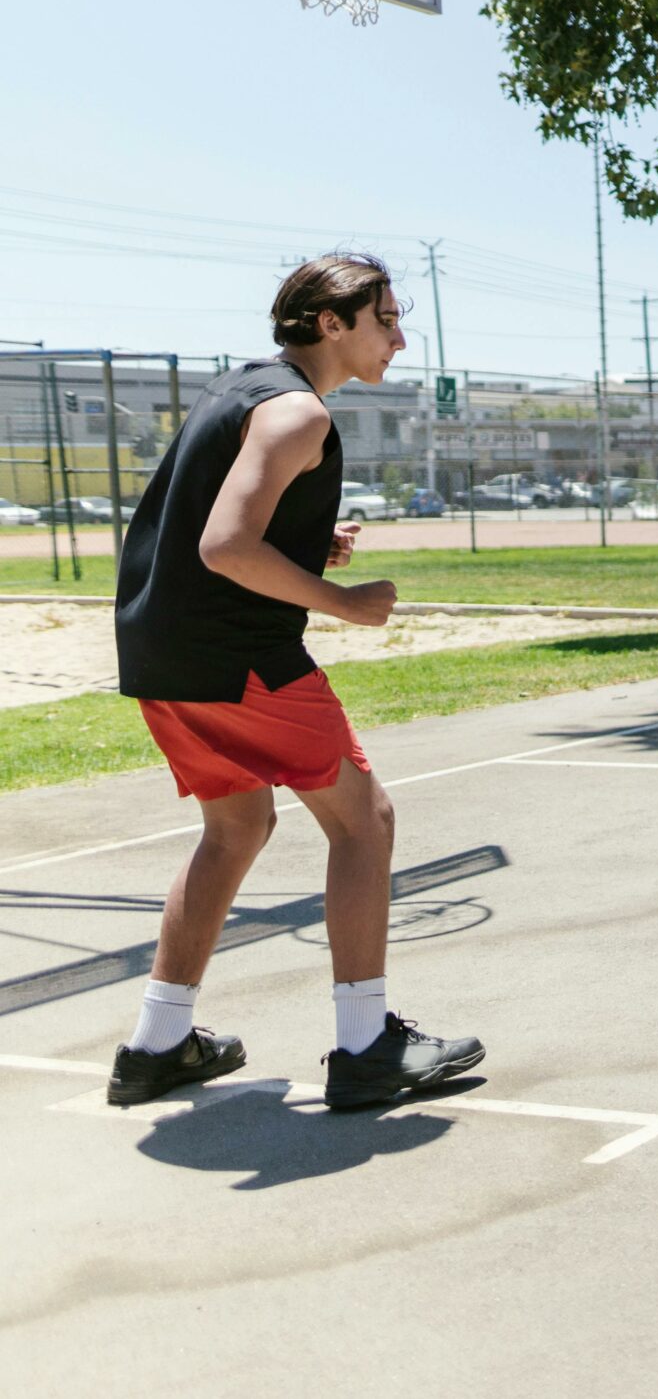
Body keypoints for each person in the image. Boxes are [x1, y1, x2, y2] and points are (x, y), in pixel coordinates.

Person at [106, 255, 483, 1109]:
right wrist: (340, 601)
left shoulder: (246, 390)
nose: (398, 335)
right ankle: (364, 1047)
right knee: (365, 820)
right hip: (237, 658)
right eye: (384, 318)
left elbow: (222, 524)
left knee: (235, 828)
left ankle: (157, 1043)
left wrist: (311, 546)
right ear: (330, 323)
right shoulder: (299, 414)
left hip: (162, 654)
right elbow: (225, 547)